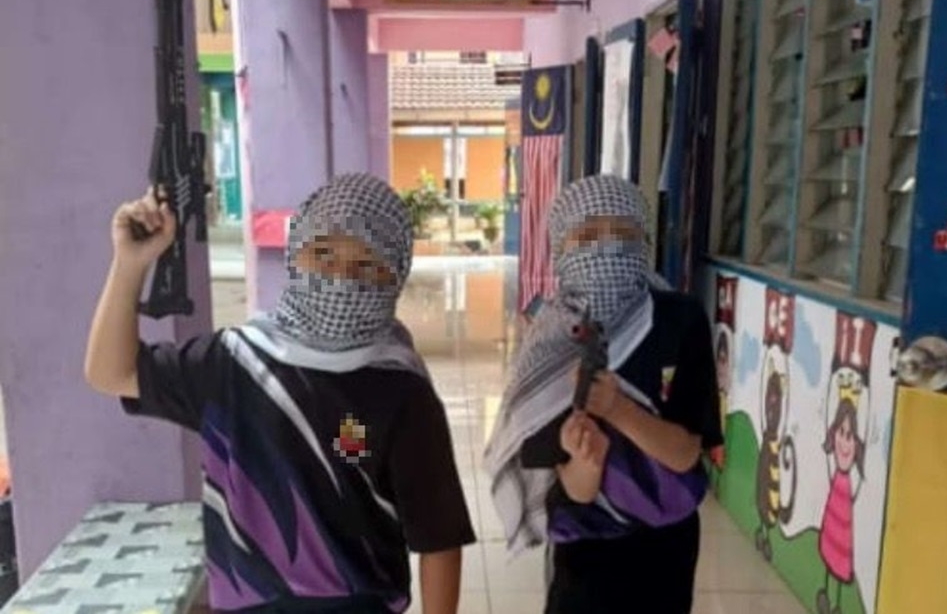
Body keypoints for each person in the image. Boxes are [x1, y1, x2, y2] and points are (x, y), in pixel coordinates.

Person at [84, 174, 475, 613]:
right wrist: (130, 264)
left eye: (367, 265)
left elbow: (439, 540)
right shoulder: (233, 364)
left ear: (395, 275)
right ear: (296, 254)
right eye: (324, 254)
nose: (341, 279)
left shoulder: (400, 391)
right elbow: (110, 373)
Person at [484, 174, 722, 614]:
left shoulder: (679, 320)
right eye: (588, 235)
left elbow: (686, 454)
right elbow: (571, 489)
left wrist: (618, 410)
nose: (606, 247)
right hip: (585, 546)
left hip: (665, 542)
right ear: (561, 248)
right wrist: (585, 460)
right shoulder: (554, 339)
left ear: (645, 240)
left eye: (623, 233)